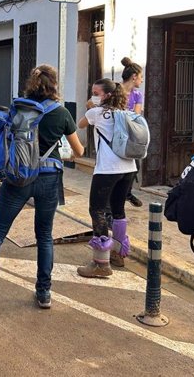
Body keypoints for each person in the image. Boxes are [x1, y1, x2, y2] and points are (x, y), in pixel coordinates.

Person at [0, 65, 84, 312]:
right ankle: (44, 292)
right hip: (48, 180)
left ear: (31, 84)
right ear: (54, 85)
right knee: (44, 236)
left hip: (17, 177)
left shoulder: (18, 109)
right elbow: (79, 152)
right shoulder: (62, 113)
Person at [76, 78, 137, 277]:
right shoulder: (126, 113)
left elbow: (81, 124)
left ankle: (101, 263)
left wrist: (91, 106)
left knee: (98, 210)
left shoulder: (96, 113)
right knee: (118, 211)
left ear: (107, 95)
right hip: (128, 167)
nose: (93, 95)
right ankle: (119, 254)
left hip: (107, 169)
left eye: (96, 92)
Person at [121, 57, 144, 208]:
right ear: (134, 76)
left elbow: (136, 115)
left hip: (131, 136)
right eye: (141, 77)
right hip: (117, 135)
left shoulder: (137, 95)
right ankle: (120, 196)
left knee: (135, 166)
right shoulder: (115, 89)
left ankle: (126, 193)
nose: (141, 80)